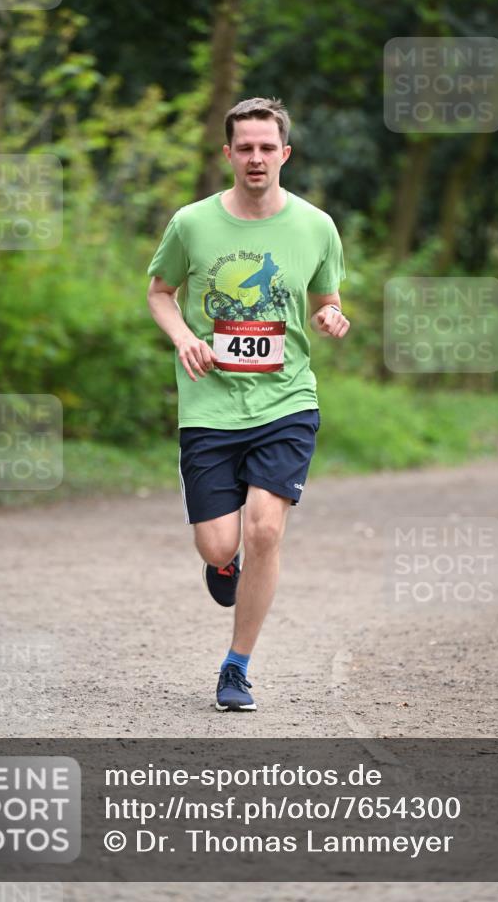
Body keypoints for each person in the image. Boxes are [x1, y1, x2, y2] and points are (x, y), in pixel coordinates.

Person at [147, 97, 350, 712]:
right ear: (228, 154)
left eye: (268, 147)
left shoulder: (316, 226)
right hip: (209, 405)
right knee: (218, 545)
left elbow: (327, 299)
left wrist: (330, 316)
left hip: (286, 399)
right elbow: (160, 292)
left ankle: (236, 668)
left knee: (265, 529)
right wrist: (185, 337)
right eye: (246, 147)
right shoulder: (191, 224)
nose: (256, 157)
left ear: (284, 154)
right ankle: (223, 564)